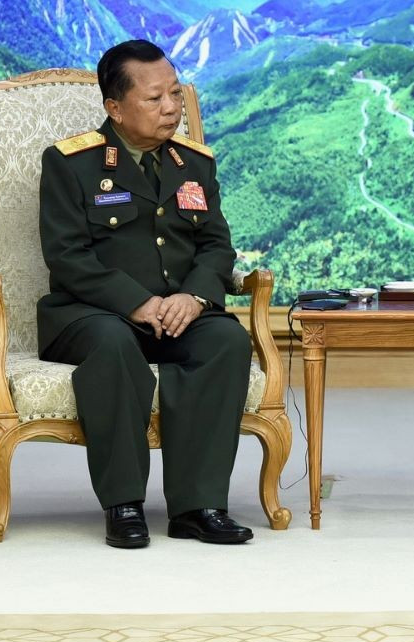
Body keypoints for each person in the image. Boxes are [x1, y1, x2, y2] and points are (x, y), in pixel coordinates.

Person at [38, 39, 254, 548]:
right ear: (114, 107)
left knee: (226, 342)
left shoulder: (193, 164)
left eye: (175, 95)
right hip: (91, 315)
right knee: (114, 346)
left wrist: (195, 298)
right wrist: (138, 302)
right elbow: (67, 256)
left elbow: (216, 246)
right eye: (155, 99)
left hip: (178, 313)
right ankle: (124, 504)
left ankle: (198, 507)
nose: (172, 108)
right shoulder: (72, 163)